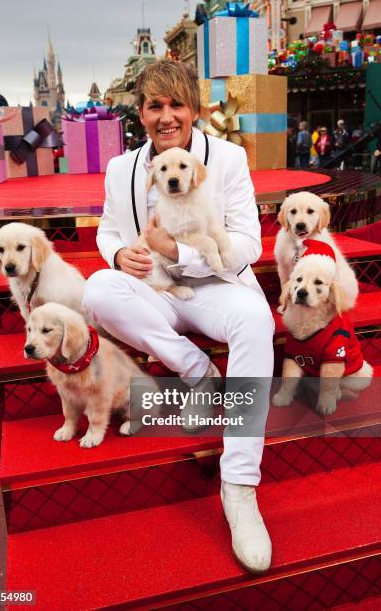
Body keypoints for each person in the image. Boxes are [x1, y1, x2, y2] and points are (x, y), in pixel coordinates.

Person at [83, 60, 274, 573]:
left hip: (216, 285)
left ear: (193, 110)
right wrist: (119, 257)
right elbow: (107, 231)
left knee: (257, 322)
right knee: (98, 289)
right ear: (140, 113)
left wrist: (183, 254)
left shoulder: (229, 159)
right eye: (154, 106)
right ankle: (198, 372)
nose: (166, 117)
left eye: (176, 105)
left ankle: (239, 486)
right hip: (156, 290)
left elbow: (249, 243)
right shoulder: (121, 168)